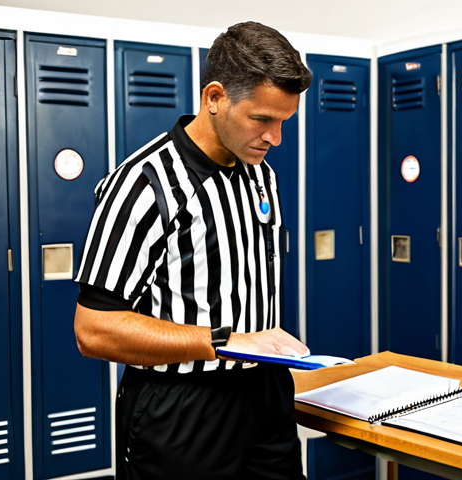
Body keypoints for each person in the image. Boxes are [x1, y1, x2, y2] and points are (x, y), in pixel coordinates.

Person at [73, 21, 312, 480]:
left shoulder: (261, 175)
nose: (274, 138)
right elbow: (94, 329)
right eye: (262, 119)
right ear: (215, 97)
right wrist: (223, 342)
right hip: (183, 410)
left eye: (284, 122)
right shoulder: (143, 184)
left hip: (265, 396)